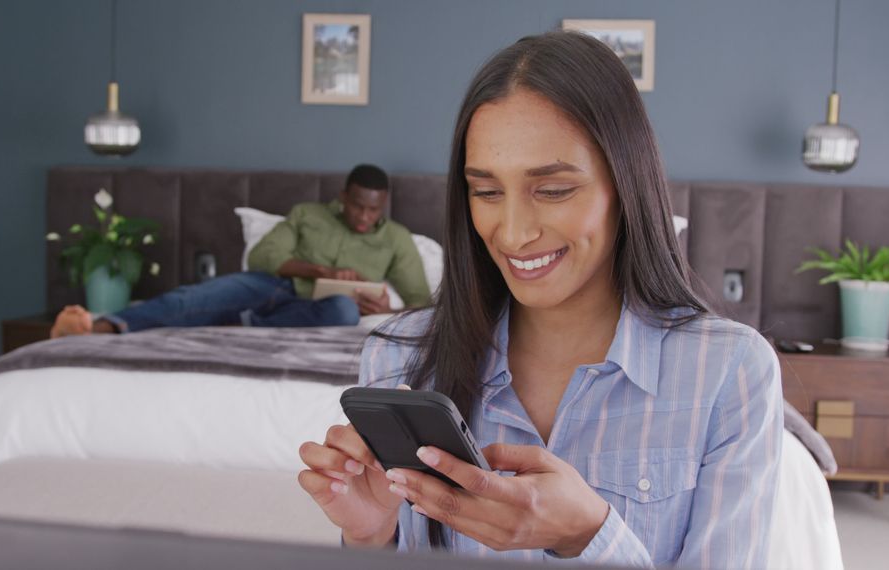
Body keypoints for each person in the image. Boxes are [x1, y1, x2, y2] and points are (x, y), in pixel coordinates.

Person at [296, 32, 783, 568]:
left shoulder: (729, 371)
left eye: (552, 191)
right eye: (485, 191)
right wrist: (371, 539)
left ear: (626, 186)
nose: (513, 232)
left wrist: (590, 537)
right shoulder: (398, 357)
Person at [50, 164, 432, 337]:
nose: (365, 216)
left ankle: (242, 324)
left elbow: (420, 303)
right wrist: (319, 272)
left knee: (344, 310)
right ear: (344, 197)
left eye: (373, 209)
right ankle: (97, 327)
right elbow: (265, 257)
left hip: (320, 309)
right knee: (194, 297)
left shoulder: (396, 239)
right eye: (358, 206)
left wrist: (388, 311)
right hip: (272, 286)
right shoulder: (308, 214)